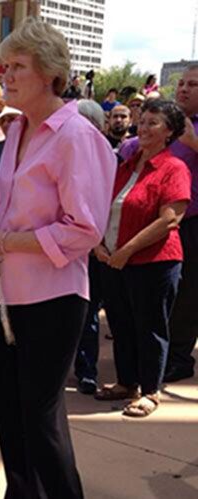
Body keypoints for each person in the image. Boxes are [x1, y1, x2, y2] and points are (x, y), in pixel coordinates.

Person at [0, 18, 116, 498]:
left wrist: (5, 242)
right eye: (6, 65)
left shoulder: (77, 135)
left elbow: (85, 228)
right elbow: (8, 208)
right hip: (6, 293)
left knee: (41, 419)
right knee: (11, 415)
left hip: (52, 298)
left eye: (17, 67)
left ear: (50, 73)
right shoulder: (15, 131)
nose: (6, 76)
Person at [94, 99, 190, 417]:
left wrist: (127, 250)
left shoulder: (174, 168)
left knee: (150, 327)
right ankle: (126, 382)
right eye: (143, 120)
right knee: (121, 324)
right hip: (113, 260)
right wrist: (100, 245)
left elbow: (169, 219)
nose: (144, 127)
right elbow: (101, 207)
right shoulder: (124, 164)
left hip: (153, 262)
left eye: (154, 122)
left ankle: (150, 391)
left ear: (170, 132)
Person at [119, 65, 198, 383]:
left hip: (189, 223)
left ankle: (178, 358)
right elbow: (127, 151)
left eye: (193, 84)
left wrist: (192, 142)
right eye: (180, 83)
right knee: (155, 298)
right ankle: (150, 359)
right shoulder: (167, 126)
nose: (183, 89)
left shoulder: (189, 134)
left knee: (188, 295)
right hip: (147, 223)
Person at [73, 99, 107, 395]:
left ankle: (87, 370)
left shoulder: (107, 156)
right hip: (65, 253)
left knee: (89, 313)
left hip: (96, 250)